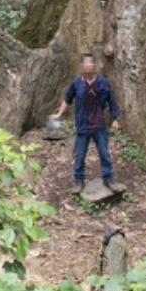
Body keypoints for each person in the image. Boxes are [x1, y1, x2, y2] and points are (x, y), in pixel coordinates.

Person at [51, 53, 124, 195]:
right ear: (82, 66)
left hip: (99, 125)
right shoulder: (77, 83)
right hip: (82, 125)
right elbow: (67, 99)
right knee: (80, 155)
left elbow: (112, 100)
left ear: (94, 65)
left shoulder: (103, 82)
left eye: (90, 63)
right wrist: (59, 114)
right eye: (85, 63)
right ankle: (79, 181)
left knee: (104, 153)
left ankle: (108, 178)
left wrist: (115, 119)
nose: (88, 65)